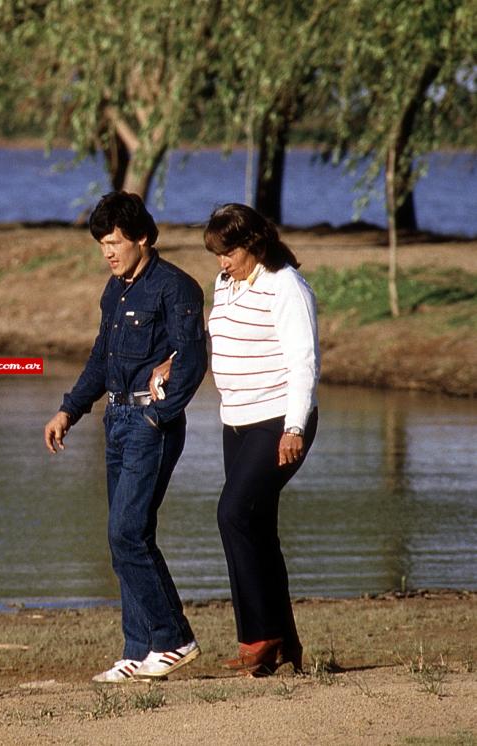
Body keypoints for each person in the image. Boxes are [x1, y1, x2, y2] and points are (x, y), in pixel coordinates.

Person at [43, 191, 207, 683]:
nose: (108, 252)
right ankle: (138, 650)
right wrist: (69, 409)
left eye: (115, 242)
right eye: (102, 244)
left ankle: (174, 639)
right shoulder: (114, 291)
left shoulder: (175, 288)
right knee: (125, 538)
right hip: (114, 422)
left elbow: (192, 362)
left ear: (143, 239)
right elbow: (101, 358)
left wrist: (160, 415)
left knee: (127, 533)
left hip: (148, 425)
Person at [153, 202, 319, 676]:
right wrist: (173, 361)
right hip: (238, 422)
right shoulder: (226, 285)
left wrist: (294, 427)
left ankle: (259, 636)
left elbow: (304, 363)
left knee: (233, 512)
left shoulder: (285, 286)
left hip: (277, 421)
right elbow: (213, 335)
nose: (221, 262)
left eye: (227, 252)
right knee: (258, 529)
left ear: (252, 244)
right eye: (217, 254)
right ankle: (284, 645)